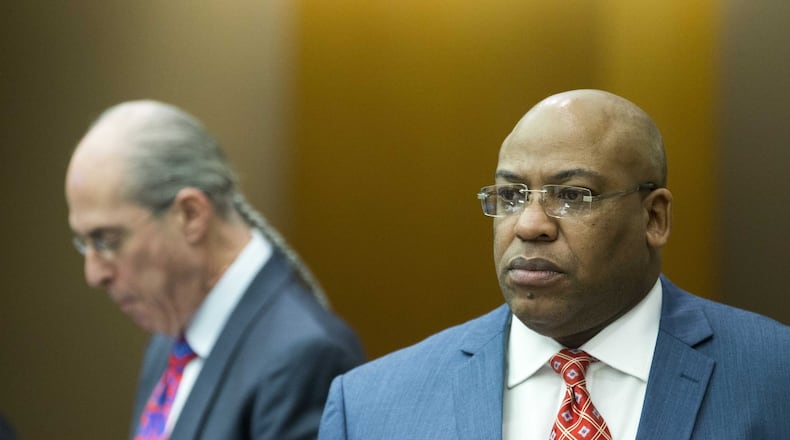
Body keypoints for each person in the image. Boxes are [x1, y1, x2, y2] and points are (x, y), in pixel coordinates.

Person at [317, 89, 790, 439]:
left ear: (654, 217)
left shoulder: (774, 375)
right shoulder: (369, 408)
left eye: (571, 196)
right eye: (510, 195)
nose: (530, 225)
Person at [65, 100, 365, 440]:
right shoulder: (173, 328)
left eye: (107, 240)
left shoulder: (304, 356)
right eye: (85, 242)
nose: (94, 274)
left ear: (191, 215)